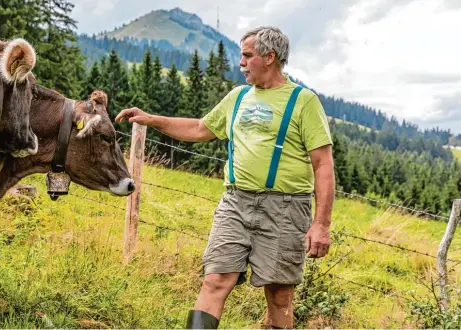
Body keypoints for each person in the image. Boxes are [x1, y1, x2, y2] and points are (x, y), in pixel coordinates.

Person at [115, 26, 335, 329]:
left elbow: (323, 165)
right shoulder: (238, 97)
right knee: (215, 279)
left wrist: (321, 224)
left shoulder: (303, 101)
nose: (241, 63)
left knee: (280, 293)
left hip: (285, 208)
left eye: (247, 55)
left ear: (270, 57)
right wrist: (152, 120)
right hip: (236, 202)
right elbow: (199, 129)